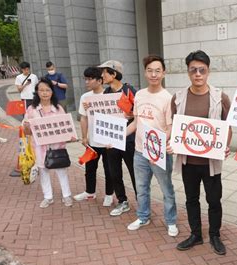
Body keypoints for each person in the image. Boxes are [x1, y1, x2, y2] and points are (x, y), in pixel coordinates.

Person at [170, 50, 231, 255]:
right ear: (188, 72)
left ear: (208, 71)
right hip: (189, 162)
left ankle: (215, 234)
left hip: (210, 161)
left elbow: (227, 126)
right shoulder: (178, 98)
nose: (197, 74)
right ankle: (196, 234)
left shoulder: (220, 97)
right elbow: (175, 127)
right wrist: (171, 142)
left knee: (214, 200)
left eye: (202, 70)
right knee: (191, 199)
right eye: (193, 70)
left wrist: (226, 144)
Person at [124, 55, 178, 235]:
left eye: (157, 71)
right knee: (141, 188)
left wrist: (159, 146)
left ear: (163, 73)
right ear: (145, 72)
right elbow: (135, 123)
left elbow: (170, 128)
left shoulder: (168, 98)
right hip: (139, 152)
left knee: (166, 189)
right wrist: (119, 136)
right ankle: (143, 216)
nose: (153, 74)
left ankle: (171, 221)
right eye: (150, 70)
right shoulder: (139, 95)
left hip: (159, 152)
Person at [23, 78, 73, 208]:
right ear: (37, 92)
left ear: (52, 92)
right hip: (40, 147)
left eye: (47, 90)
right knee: (43, 171)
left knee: (61, 170)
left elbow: (65, 127)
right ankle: (48, 197)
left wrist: (71, 136)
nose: (45, 93)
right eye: (41, 90)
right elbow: (27, 131)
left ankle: (66, 195)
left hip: (57, 146)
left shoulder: (58, 108)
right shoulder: (32, 109)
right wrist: (27, 126)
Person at [97, 60, 137, 216]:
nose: (102, 75)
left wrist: (132, 114)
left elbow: (138, 113)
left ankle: (142, 201)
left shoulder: (129, 90)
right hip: (111, 141)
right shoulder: (105, 94)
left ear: (114, 74)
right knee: (114, 172)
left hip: (129, 139)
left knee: (135, 172)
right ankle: (122, 201)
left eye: (105, 72)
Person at [73, 67, 114, 207]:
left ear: (100, 80)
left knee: (109, 170)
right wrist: (84, 137)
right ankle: (89, 192)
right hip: (93, 141)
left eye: (90, 79)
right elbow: (83, 118)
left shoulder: (109, 95)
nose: (87, 82)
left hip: (108, 142)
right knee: (90, 168)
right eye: (86, 79)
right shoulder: (85, 97)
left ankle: (109, 195)